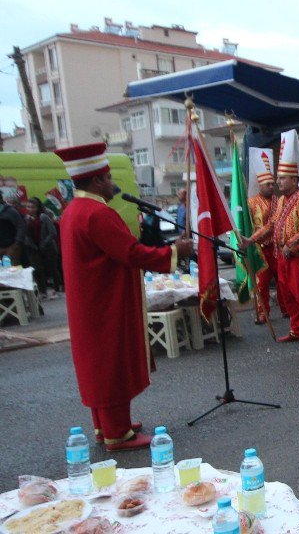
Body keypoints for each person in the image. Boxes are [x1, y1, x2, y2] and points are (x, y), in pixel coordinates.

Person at [54, 142, 194, 451]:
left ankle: (104, 425)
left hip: (90, 301)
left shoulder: (72, 211)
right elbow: (129, 252)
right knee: (111, 362)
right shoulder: (96, 213)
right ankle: (118, 433)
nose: (111, 183)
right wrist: (174, 251)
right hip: (104, 302)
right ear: (95, 180)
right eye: (106, 177)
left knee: (98, 363)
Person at [244, 130, 299, 342]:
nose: (278, 182)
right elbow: (271, 225)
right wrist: (250, 240)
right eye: (278, 178)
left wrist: (290, 245)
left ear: (295, 179)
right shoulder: (280, 201)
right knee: (287, 295)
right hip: (282, 257)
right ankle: (297, 330)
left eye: (282, 178)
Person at [247, 151, 288, 324]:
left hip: (276, 247)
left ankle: (286, 308)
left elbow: (273, 224)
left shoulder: (279, 201)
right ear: (260, 185)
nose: (272, 187)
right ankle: (263, 312)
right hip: (259, 249)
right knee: (262, 283)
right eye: (268, 184)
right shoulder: (251, 202)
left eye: (273, 184)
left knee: (282, 281)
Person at [23, 197, 61, 298]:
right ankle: (42, 290)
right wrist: (31, 244)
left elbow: (52, 232)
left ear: (37, 208)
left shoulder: (43, 217)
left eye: (32, 207)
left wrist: (44, 243)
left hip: (48, 247)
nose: (30, 209)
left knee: (52, 268)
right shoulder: (26, 219)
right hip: (34, 248)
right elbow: (26, 234)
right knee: (38, 269)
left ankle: (56, 288)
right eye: (28, 207)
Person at [0, 194, 26, 265]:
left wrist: (17, 243)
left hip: (11, 246)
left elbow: (21, 226)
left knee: (14, 270)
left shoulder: (10, 211)